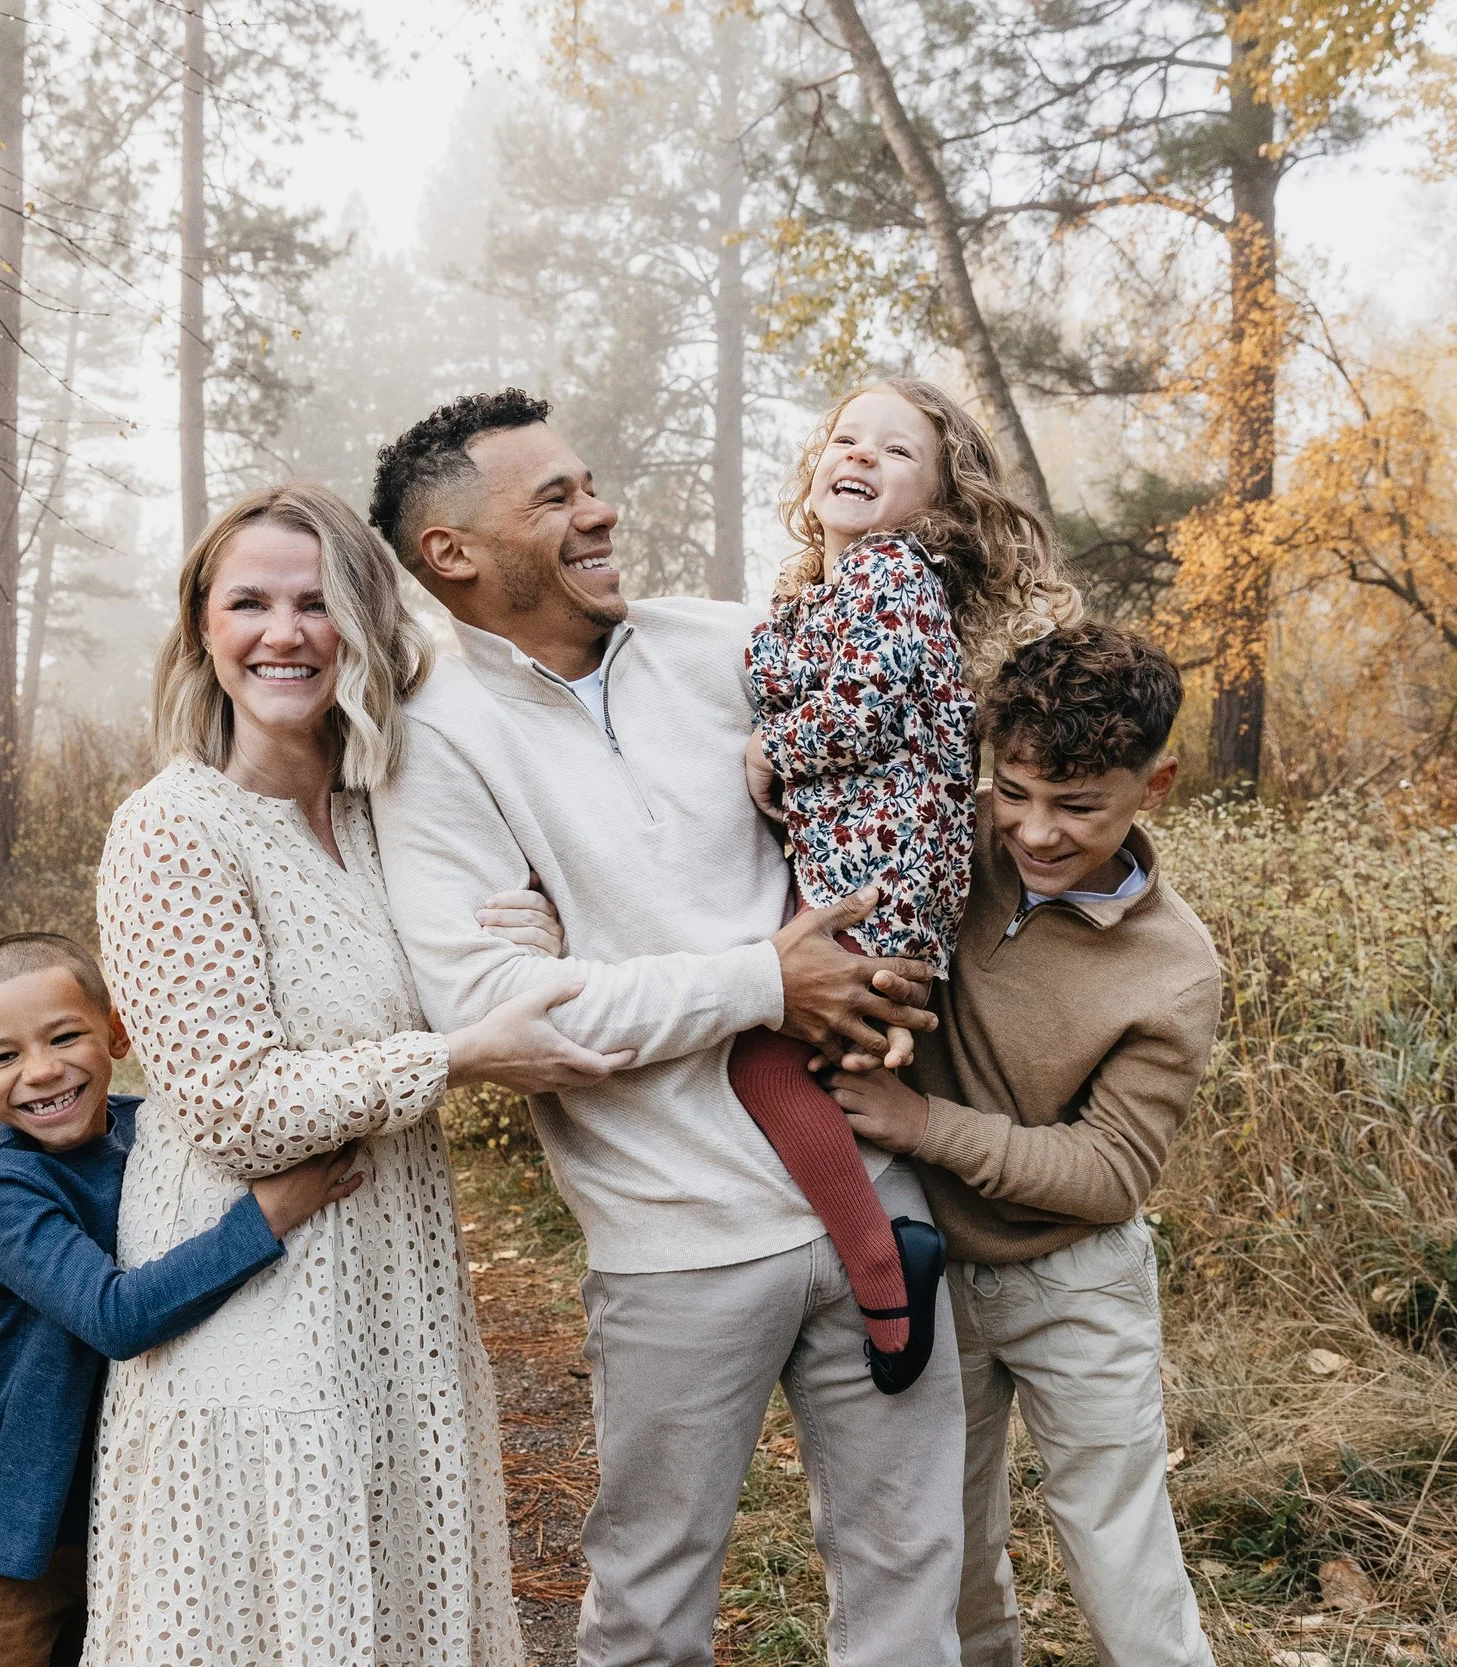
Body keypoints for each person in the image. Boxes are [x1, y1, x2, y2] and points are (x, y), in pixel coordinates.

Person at [366, 389, 967, 1667]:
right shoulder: (434, 747)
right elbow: (498, 1014)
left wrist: (607, 963)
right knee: (647, 1605)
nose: (600, 511)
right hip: (675, 1245)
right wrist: (761, 980)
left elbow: (908, 739)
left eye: (588, 482)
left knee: (913, 1577)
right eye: (554, 499)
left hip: (875, 1172)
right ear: (452, 553)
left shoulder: (730, 644)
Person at [84, 482, 630, 1667]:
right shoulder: (174, 829)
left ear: (366, 627)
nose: (285, 631)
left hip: (399, 1296)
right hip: (250, 1312)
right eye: (250, 603)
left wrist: (519, 953)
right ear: (203, 631)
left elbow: (465, 980)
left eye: (318, 600)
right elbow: (235, 1106)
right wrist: (458, 1053)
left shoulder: (389, 813)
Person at [826, 622, 1222, 1667]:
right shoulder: (951, 848)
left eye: (1078, 804)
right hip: (930, 1269)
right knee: (942, 1549)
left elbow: (1109, 1172)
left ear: (1155, 782)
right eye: (1013, 791)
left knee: (1118, 1545)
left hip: (1077, 1281)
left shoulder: (1174, 967)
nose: (1035, 833)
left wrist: (925, 1125)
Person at [737, 377, 1079, 1391]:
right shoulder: (834, 590)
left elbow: (863, 713)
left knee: (761, 1059)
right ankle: (866, 1247)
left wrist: (770, 748)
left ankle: (884, 1263)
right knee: (823, 1069)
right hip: (851, 871)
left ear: (935, 503)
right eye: (846, 439)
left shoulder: (892, 573)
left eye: (893, 452)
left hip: (877, 881)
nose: (859, 457)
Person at [0, 931, 362, 1667]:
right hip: (1, 1542)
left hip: (112, 1523)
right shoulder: (4, 1182)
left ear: (117, 1032)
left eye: (65, 1037)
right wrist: (271, 1214)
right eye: (4, 1056)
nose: (42, 1070)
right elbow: (116, 1316)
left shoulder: (147, 1132)